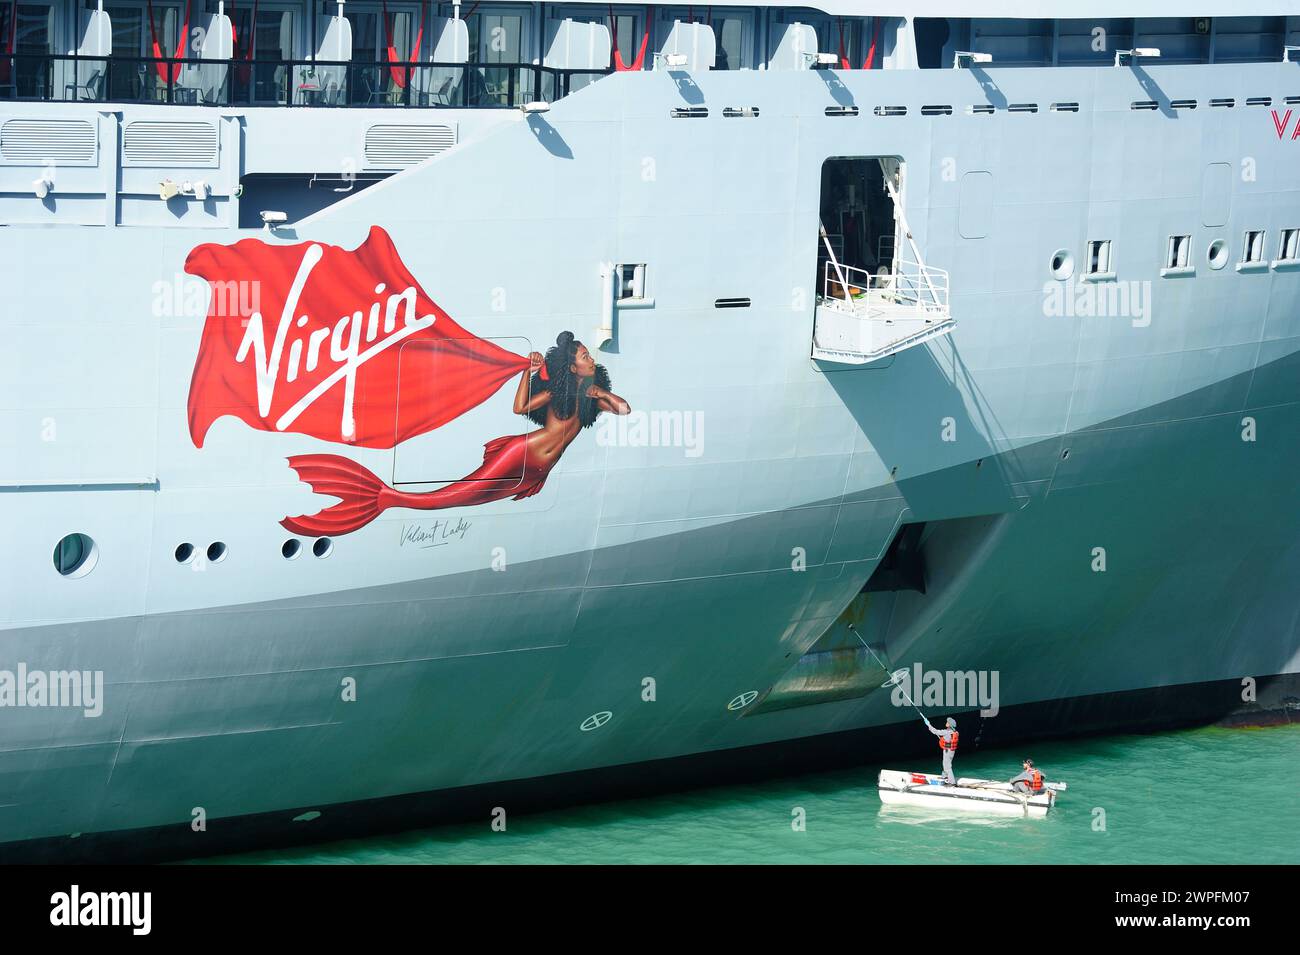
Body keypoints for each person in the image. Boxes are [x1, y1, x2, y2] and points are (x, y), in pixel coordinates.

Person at [281, 331, 631, 535]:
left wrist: (600, 393)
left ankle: (386, 498)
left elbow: (623, 409)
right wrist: (527, 370)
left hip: (537, 471)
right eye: (586, 356)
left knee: (473, 498)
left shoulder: (589, 396)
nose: (591, 360)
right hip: (522, 456)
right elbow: (520, 408)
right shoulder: (557, 394)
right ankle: (386, 497)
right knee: (462, 494)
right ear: (572, 367)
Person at [924, 716, 958, 785]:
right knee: (945, 763)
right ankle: (944, 777)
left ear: (949, 725)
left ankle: (952, 782)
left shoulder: (946, 732)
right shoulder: (955, 732)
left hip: (947, 751)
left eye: (947, 722)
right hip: (951, 751)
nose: (946, 723)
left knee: (947, 766)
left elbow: (935, 731)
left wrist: (928, 724)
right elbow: (949, 740)